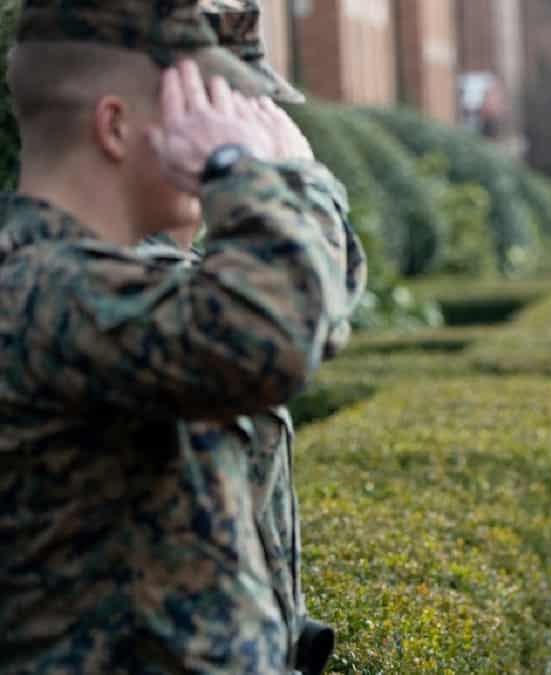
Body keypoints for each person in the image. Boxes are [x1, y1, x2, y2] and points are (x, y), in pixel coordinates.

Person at [0, 1, 359, 672]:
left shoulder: (100, 283)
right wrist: (249, 172)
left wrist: (279, 185)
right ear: (115, 126)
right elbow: (275, 331)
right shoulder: (41, 291)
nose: (231, 130)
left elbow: (310, 318)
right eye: (198, 108)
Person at [138, 2, 365, 672]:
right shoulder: (128, 290)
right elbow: (304, 316)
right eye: (231, 117)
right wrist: (293, 182)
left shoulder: (191, 276)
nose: (264, 137)